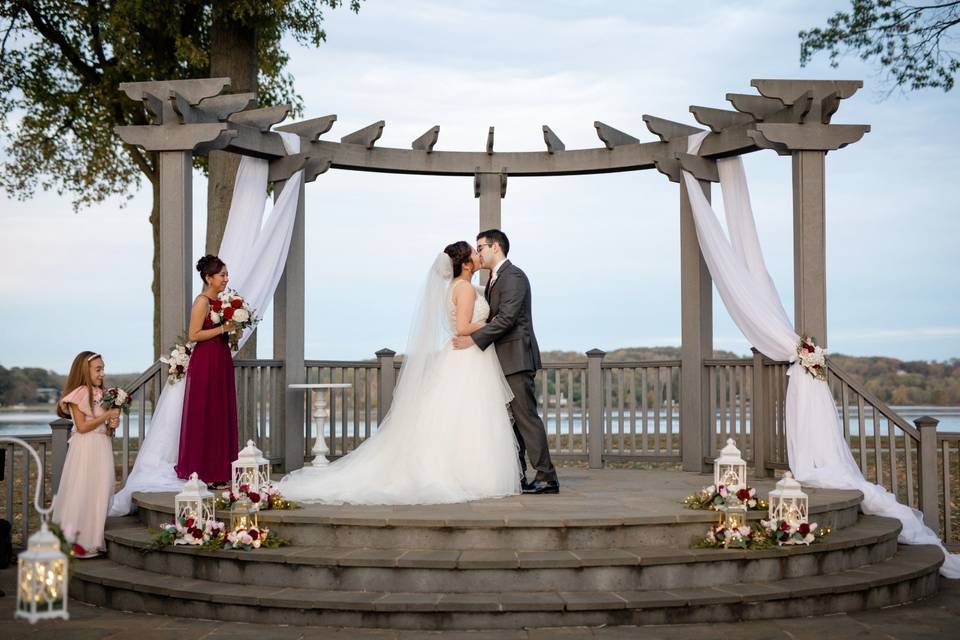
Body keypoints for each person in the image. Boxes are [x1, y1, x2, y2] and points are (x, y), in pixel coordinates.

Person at [279, 241, 520, 505]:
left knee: (462, 415)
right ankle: (469, 474)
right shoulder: (464, 289)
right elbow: (462, 327)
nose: (477, 254)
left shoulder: (461, 287)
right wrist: (492, 323)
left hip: (468, 355)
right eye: (474, 252)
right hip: (468, 356)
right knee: (467, 414)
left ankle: (471, 472)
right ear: (464, 263)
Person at [454, 229, 559, 494]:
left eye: (480, 247)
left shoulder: (514, 276)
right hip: (500, 361)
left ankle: (547, 477)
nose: (478, 253)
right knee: (509, 423)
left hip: (516, 359)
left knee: (526, 418)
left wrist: (474, 339)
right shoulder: (492, 280)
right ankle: (519, 474)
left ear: (496, 247)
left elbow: (506, 319)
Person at [174, 255, 238, 487]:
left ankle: (221, 470)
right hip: (205, 361)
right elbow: (194, 335)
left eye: (226, 274)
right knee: (207, 413)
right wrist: (223, 327)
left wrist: (233, 331)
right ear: (208, 278)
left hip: (221, 359)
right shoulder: (202, 302)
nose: (225, 279)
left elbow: (224, 331)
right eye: (222, 275)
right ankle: (204, 472)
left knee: (221, 412)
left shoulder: (224, 302)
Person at [52, 351, 120, 558]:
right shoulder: (79, 394)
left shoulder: (103, 394)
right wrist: (107, 415)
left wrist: (112, 425)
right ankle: (76, 540)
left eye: (103, 369)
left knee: (100, 490)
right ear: (85, 371)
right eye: (98, 369)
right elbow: (81, 427)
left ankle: (93, 538)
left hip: (101, 445)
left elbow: (104, 427)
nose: (102, 373)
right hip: (86, 448)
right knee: (83, 489)